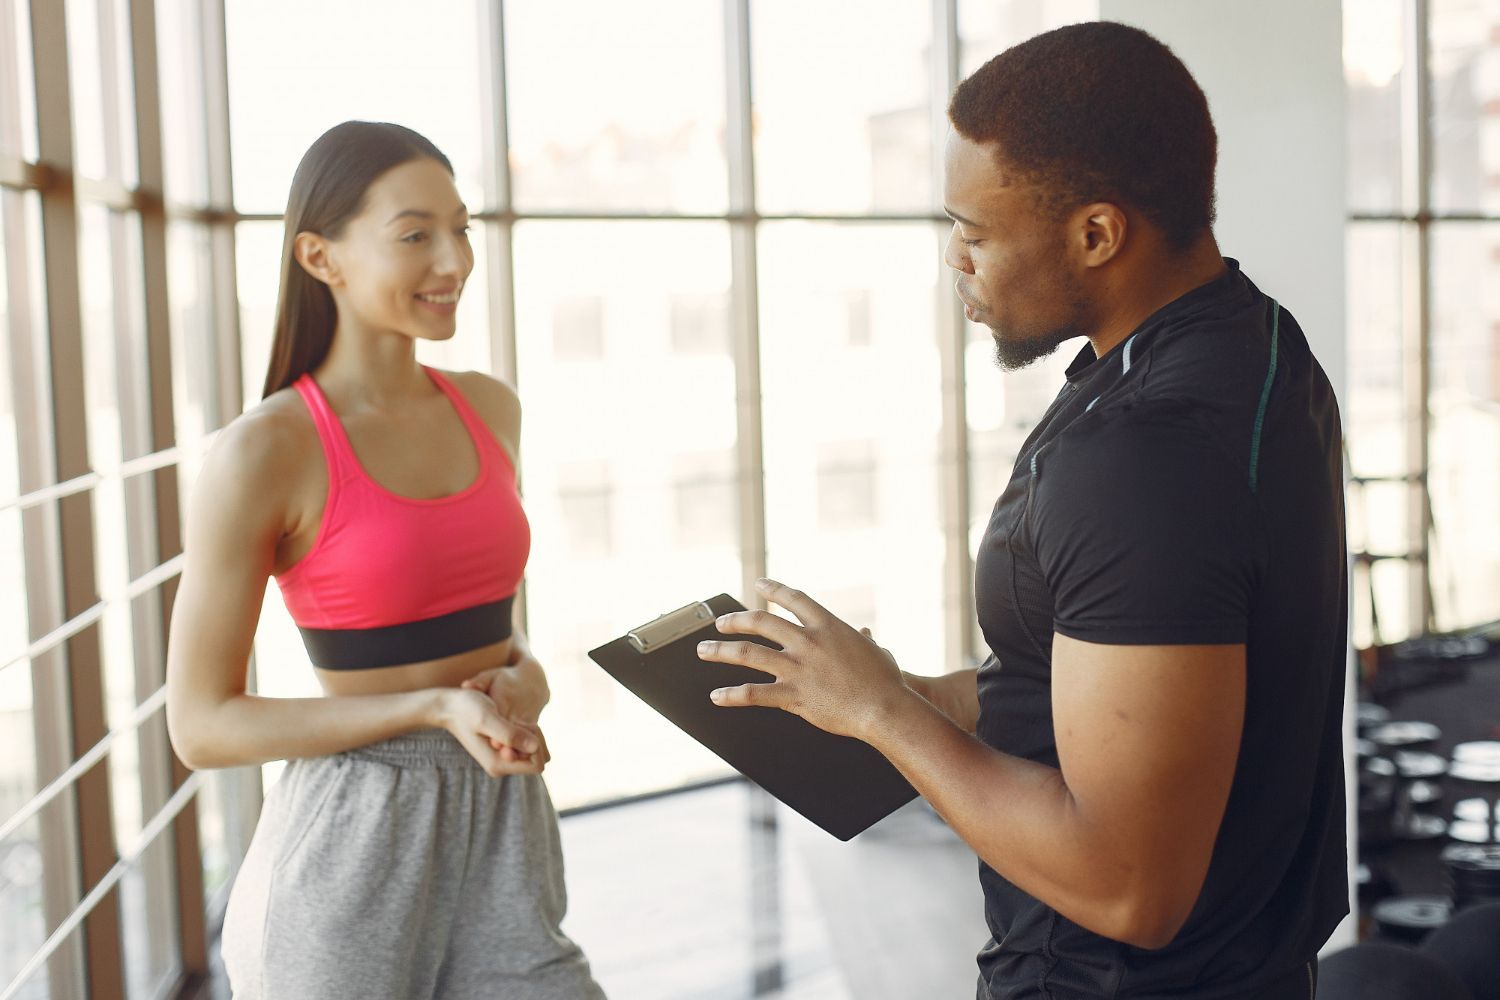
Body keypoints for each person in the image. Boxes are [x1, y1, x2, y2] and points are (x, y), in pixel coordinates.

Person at [699, 22, 1347, 1000]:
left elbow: (1132, 890)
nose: (955, 262)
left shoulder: (1141, 453)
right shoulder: (1257, 346)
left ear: (1096, 232)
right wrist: (904, 689)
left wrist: (882, 717)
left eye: (975, 232)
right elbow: (1131, 685)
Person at [165, 121, 604, 1000]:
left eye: (462, 228)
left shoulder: (489, 408)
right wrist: (433, 708)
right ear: (320, 257)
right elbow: (202, 725)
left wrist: (526, 680)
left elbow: (497, 628)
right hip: (348, 847)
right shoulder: (265, 452)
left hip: (503, 825)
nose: (454, 261)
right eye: (415, 235)